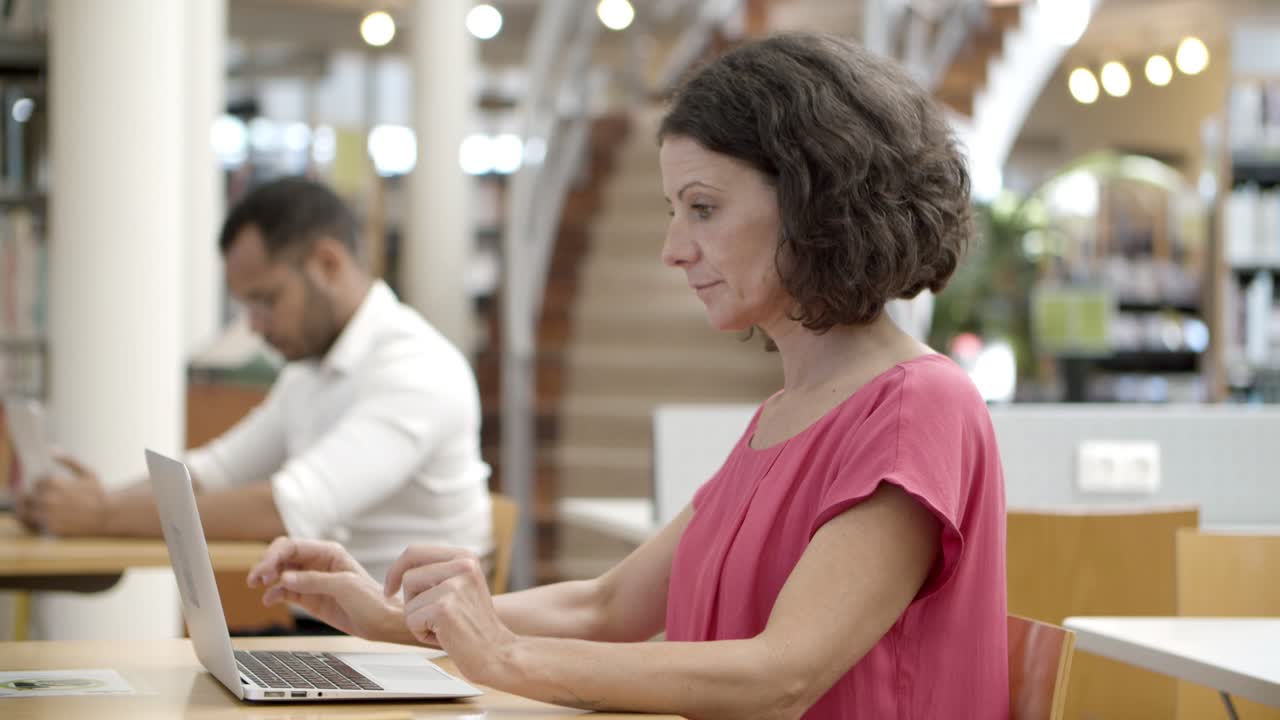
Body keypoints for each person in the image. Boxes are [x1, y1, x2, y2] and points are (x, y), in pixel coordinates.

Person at [246, 33, 1007, 718]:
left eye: (703, 208)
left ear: (817, 204)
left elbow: (780, 676)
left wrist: (503, 657)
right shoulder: (787, 412)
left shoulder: (919, 407)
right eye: (676, 211)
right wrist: (398, 616)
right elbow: (604, 605)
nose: (674, 248)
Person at [20, 177, 492, 586]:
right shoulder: (311, 370)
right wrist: (85, 502)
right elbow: (212, 473)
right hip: (338, 641)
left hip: (408, 653)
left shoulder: (418, 369)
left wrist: (100, 515)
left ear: (328, 264)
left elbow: (284, 509)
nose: (255, 326)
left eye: (266, 300)